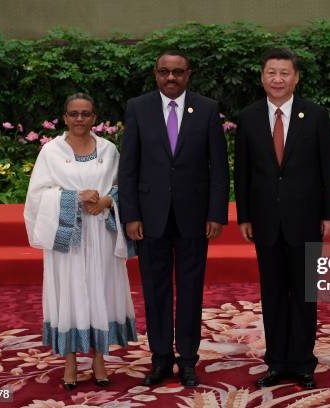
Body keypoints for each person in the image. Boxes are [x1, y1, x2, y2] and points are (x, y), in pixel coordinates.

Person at [118, 51, 229, 387]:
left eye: (177, 72)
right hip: (150, 218)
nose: (171, 78)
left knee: (191, 290)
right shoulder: (138, 108)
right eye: (164, 72)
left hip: (194, 218)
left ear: (188, 74)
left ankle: (189, 359)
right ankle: (161, 358)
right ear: (155, 74)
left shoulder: (207, 109)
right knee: (155, 290)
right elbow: (129, 167)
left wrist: (216, 213)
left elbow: (219, 168)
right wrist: (131, 214)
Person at [234, 48, 330, 389]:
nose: (277, 79)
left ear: (296, 77)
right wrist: (245, 216)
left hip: (307, 220)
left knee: (305, 293)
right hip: (265, 221)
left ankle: (303, 363)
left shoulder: (316, 115)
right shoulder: (248, 117)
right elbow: (244, 173)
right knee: (274, 293)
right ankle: (277, 362)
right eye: (271, 73)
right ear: (262, 77)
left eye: (284, 73)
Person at [24, 93, 137, 390]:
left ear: (94, 117)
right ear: (64, 117)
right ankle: (71, 360)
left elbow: (123, 186)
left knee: (101, 290)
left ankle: (100, 357)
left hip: (101, 232)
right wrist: (74, 198)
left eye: (85, 114)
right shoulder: (51, 152)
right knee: (70, 293)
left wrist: (107, 201)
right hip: (67, 237)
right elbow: (37, 195)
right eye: (74, 114)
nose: (79, 119)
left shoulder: (109, 149)